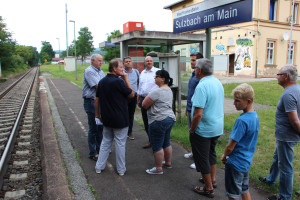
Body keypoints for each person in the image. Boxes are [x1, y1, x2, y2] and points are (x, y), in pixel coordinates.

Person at [259, 65, 300, 200]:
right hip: (285, 135)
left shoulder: (289, 93)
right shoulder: (297, 89)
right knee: (278, 158)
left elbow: (294, 121)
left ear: (286, 77)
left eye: (279, 74)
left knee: (285, 166)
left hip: (286, 136)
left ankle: (285, 196)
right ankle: (271, 179)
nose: (277, 76)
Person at [190, 58, 224, 198]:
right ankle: (212, 179)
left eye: (195, 68)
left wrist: (192, 129)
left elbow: (198, 114)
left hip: (203, 129)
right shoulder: (217, 82)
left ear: (199, 70)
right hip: (216, 127)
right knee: (211, 153)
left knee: (202, 158)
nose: (194, 70)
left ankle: (208, 188)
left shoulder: (201, 86)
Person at [94, 58, 134, 176]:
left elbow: (97, 99)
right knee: (120, 144)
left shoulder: (102, 82)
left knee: (105, 142)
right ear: (114, 68)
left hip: (106, 118)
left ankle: (99, 166)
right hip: (120, 119)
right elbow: (131, 94)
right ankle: (121, 170)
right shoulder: (119, 82)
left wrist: (97, 114)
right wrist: (126, 79)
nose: (123, 69)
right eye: (121, 67)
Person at [221, 83, 259, 200]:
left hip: (235, 163)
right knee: (244, 190)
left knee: (233, 195)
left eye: (237, 101)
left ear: (248, 101)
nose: (234, 103)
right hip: (245, 161)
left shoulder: (242, 121)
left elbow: (230, 146)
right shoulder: (255, 116)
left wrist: (224, 155)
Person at [142, 69, 176, 175]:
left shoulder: (157, 91)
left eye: (156, 76)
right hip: (170, 118)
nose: (155, 78)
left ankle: (158, 168)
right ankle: (168, 163)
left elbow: (144, 104)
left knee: (157, 145)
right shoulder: (169, 90)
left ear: (162, 79)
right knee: (166, 142)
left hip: (158, 120)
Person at [82, 54, 105, 161]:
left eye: (102, 61)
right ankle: (93, 152)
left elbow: (105, 83)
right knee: (94, 127)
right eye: (99, 61)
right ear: (92, 61)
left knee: (100, 127)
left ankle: (100, 149)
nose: (101, 62)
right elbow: (98, 86)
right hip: (91, 102)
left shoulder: (100, 71)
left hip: (99, 102)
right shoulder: (89, 71)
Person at [184, 52, 203, 169]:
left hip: (196, 110)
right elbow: (190, 93)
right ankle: (193, 153)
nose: (191, 62)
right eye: (191, 60)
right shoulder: (193, 74)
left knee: (197, 135)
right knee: (191, 133)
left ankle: (198, 160)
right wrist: (187, 108)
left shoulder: (200, 77)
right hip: (190, 108)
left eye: (194, 60)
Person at [137, 56, 159, 149]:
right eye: (147, 61)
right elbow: (140, 86)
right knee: (146, 120)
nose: (149, 62)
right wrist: (138, 98)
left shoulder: (157, 71)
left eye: (150, 61)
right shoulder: (142, 72)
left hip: (153, 100)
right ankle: (151, 141)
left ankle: (157, 142)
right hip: (143, 98)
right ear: (144, 62)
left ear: (153, 62)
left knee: (154, 120)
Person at [123, 56, 139, 140]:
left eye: (129, 61)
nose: (128, 62)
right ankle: (123, 132)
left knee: (131, 114)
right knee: (123, 114)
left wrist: (138, 94)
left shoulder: (136, 72)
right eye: (126, 61)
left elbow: (139, 83)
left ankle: (130, 132)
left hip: (133, 97)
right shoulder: (121, 73)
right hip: (123, 97)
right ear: (123, 64)